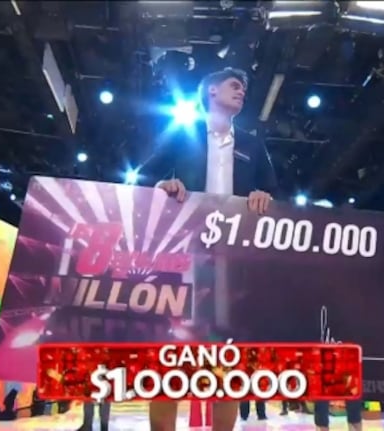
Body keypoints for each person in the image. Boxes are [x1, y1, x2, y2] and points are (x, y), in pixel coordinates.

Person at [148, 67, 278, 431]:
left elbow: (273, 191)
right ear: (211, 91)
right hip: (181, 258)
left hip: (233, 263)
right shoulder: (183, 133)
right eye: (234, 85)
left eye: (244, 88)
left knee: (226, 361)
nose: (242, 91)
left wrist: (263, 195)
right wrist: (162, 185)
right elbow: (144, 176)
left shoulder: (252, 144)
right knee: (169, 360)